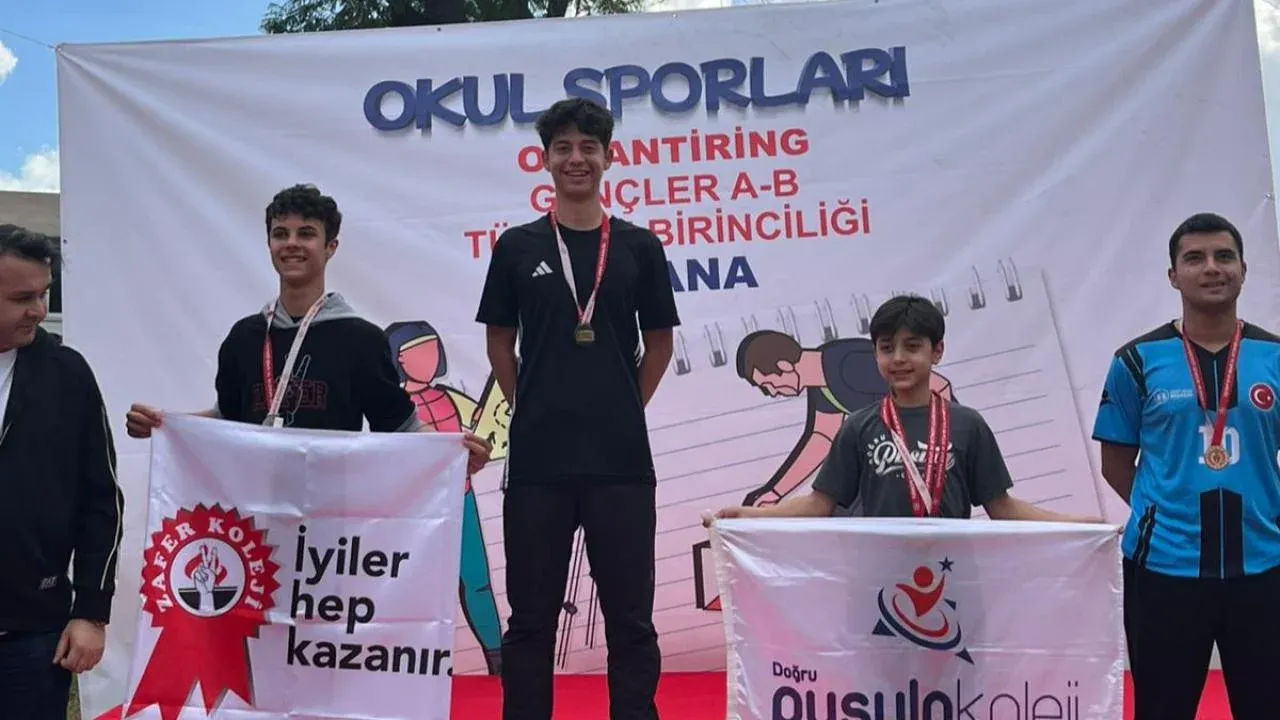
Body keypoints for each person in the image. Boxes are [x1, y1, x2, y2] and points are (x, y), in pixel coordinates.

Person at [475, 97, 680, 720]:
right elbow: (499, 340)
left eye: (588, 147)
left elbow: (660, 343)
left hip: (621, 462)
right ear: (544, 160)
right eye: (562, 148)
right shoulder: (516, 247)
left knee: (631, 620)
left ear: (608, 158)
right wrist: (530, 404)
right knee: (530, 620)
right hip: (538, 462)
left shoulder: (640, 247)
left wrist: (623, 406)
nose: (576, 159)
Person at [124, 184, 491, 474]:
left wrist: (455, 452)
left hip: (333, 516)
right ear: (269, 243)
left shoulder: (360, 339)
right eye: (280, 233)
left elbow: (401, 426)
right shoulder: (244, 338)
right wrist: (164, 424)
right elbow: (226, 420)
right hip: (253, 512)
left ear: (331, 246)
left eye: (306, 233)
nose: (291, 244)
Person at [1092, 212, 1280, 719]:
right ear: (1173, 275)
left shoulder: (1275, 357)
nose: (1211, 268)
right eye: (1194, 258)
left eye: (1224, 256)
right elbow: (1116, 463)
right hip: (1163, 571)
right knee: (1163, 709)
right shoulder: (1136, 360)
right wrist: (1166, 511)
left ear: (1244, 269)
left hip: (1264, 567)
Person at [712, 294, 1095, 523]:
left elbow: (1002, 507)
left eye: (912, 347)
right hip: (879, 579)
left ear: (937, 351)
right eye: (886, 348)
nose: (898, 358)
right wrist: (756, 514)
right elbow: (820, 501)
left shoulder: (967, 425)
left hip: (952, 577)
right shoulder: (858, 427)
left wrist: (1077, 525)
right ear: (875, 353)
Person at [0, 224, 123, 719]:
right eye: (21, 298)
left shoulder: (67, 374)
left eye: (43, 294)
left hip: (31, 635)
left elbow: (102, 500)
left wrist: (92, 611)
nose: (38, 309)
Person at [733, 329, 955, 509]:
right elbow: (822, 439)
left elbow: (939, 385)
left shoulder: (847, 363)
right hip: (894, 467)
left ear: (784, 366)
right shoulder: (822, 384)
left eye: (768, 385)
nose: (773, 393)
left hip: (929, 464)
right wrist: (775, 492)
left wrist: (941, 453)